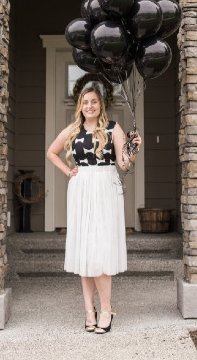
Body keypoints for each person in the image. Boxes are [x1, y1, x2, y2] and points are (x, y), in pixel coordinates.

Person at [47, 85, 142, 334]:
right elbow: (51, 152)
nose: (89, 106)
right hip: (81, 190)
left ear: (100, 105)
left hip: (106, 189)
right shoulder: (73, 130)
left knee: (100, 250)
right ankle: (89, 310)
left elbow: (123, 164)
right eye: (85, 102)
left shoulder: (113, 129)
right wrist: (69, 171)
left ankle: (107, 309)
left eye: (94, 102)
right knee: (85, 251)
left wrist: (132, 150)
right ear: (80, 106)